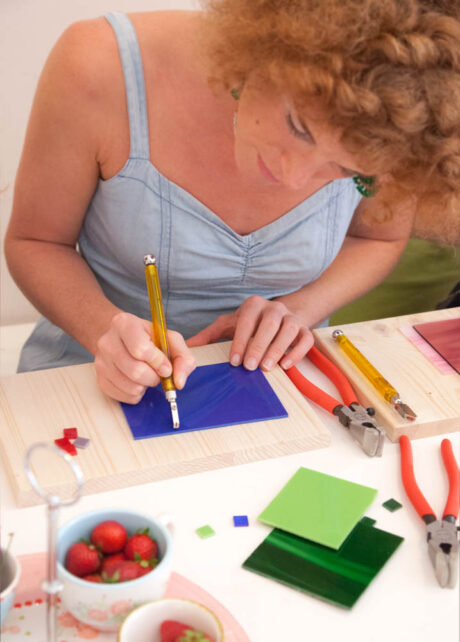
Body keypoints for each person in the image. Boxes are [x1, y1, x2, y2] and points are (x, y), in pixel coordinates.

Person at [5, 0, 460, 405]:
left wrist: (300, 308)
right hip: (86, 380)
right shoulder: (100, 63)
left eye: (347, 171)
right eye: (299, 126)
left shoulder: (400, 121)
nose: (294, 178)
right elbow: (37, 242)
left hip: (283, 385)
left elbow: (377, 239)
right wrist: (103, 329)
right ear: (266, 48)